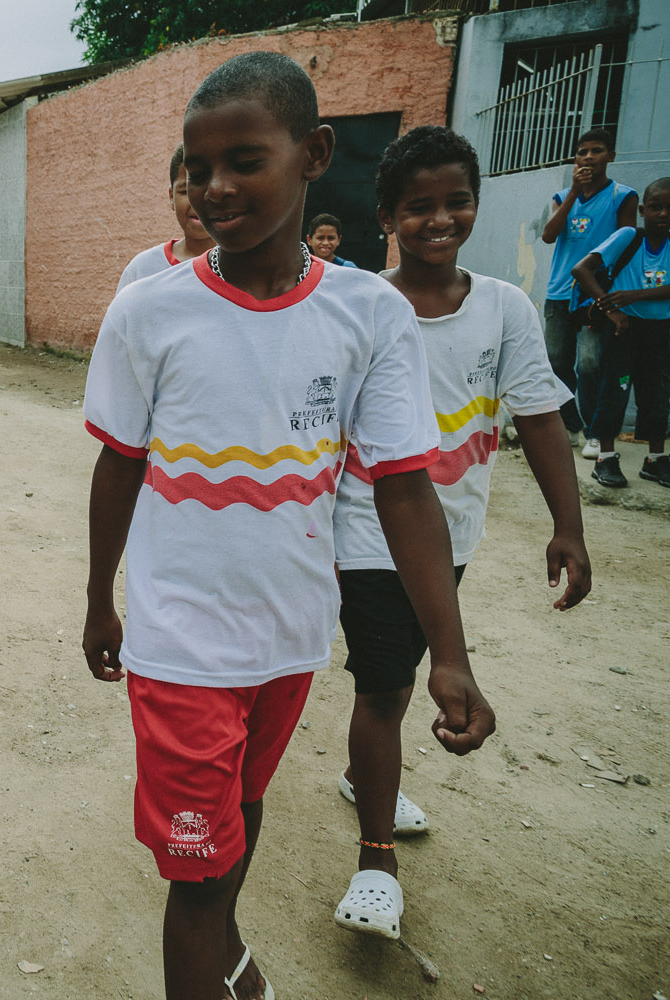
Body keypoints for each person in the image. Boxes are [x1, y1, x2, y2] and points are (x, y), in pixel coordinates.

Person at [81, 52, 495, 1000]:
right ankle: (220, 958)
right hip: (181, 643)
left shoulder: (366, 313)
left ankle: (228, 954)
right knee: (193, 882)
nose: (213, 187)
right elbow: (120, 464)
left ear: (314, 153)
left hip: (290, 637)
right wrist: (101, 599)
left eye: (243, 160)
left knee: (246, 807)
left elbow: (402, 488)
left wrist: (451, 651)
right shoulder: (149, 311)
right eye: (196, 166)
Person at [332, 125, 591, 942]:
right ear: (386, 217)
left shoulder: (504, 307)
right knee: (387, 689)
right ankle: (377, 860)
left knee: (406, 665)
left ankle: (360, 778)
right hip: (367, 532)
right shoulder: (363, 307)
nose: (439, 220)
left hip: (456, 535)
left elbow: (540, 417)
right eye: (418, 208)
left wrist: (569, 526)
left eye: (456, 203)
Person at [541, 128, 638, 456]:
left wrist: (611, 294)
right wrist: (572, 194)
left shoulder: (622, 196)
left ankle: (597, 434)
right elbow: (548, 236)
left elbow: (627, 244)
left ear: (610, 156)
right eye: (582, 152)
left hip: (595, 293)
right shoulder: (561, 196)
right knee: (556, 361)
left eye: (596, 151)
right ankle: (571, 426)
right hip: (558, 291)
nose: (588, 157)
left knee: (591, 363)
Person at [571, 176, 670, 488]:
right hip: (623, 330)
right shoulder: (628, 238)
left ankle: (655, 459)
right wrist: (611, 309)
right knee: (615, 388)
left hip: (660, 331)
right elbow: (582, 270)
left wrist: (635, 295)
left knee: (657, 394)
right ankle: (606, 458)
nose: (663, 214)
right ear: (642, 209)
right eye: (656, 207)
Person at [117, 144, 218, 291]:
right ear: (171, 197)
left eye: (208, 191)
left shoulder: (246, 267)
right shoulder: (142, 270)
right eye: (185, 192)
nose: (197, 202)